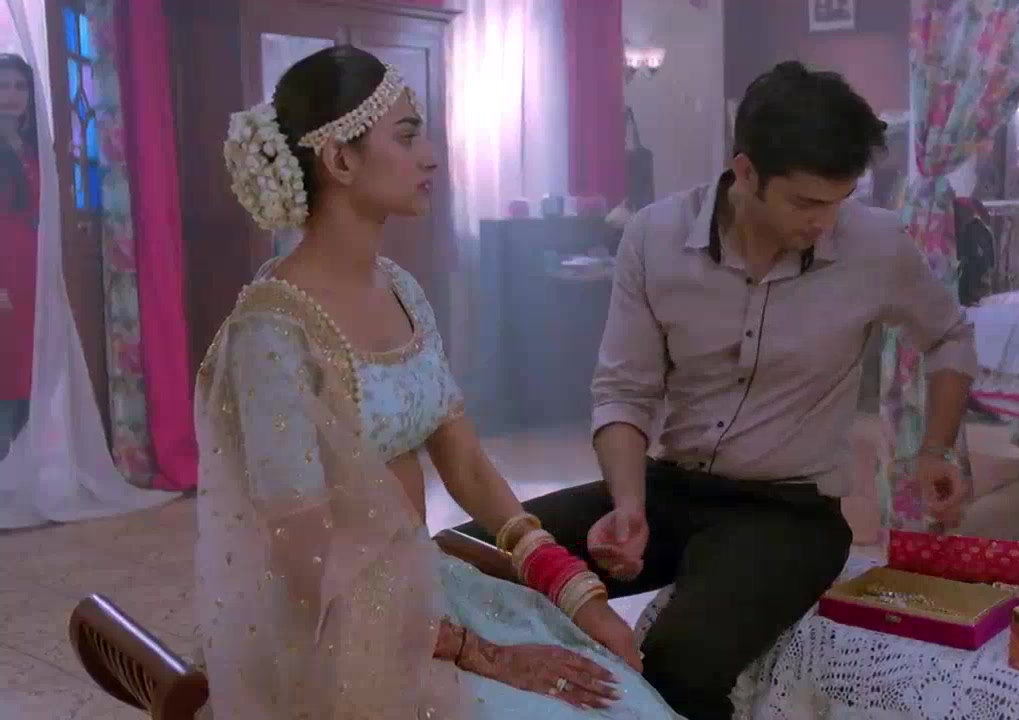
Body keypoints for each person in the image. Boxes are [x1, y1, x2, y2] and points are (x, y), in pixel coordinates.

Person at [458, 61, 978, 719]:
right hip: (669, 491)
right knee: (461, 562)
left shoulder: (875, 245)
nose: (824, 222)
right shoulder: (655, 237)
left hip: (789, 514)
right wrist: (628, 504)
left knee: (678, 666)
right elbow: (623, 390)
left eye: (839, 201)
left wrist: (935, 448)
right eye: (806, 203)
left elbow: (949, 336)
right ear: (746, 172)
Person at [194, 46, 682, 719]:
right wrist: (476, 652)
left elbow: (468, 466)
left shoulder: (402, 290)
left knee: (622, 699)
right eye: (407, 136)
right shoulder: (272, 335)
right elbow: (305, 563)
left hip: (422, 592)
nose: (431, 156)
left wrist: (575, 591)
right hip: (339, 632)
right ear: (340, 160)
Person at [0, 53, 37, 461]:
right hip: (3, 277)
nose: (12, 95)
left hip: (33, 278)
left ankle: (20, 478)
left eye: (19, 86)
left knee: (30, 379)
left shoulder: (33, 150)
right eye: (3, 86)